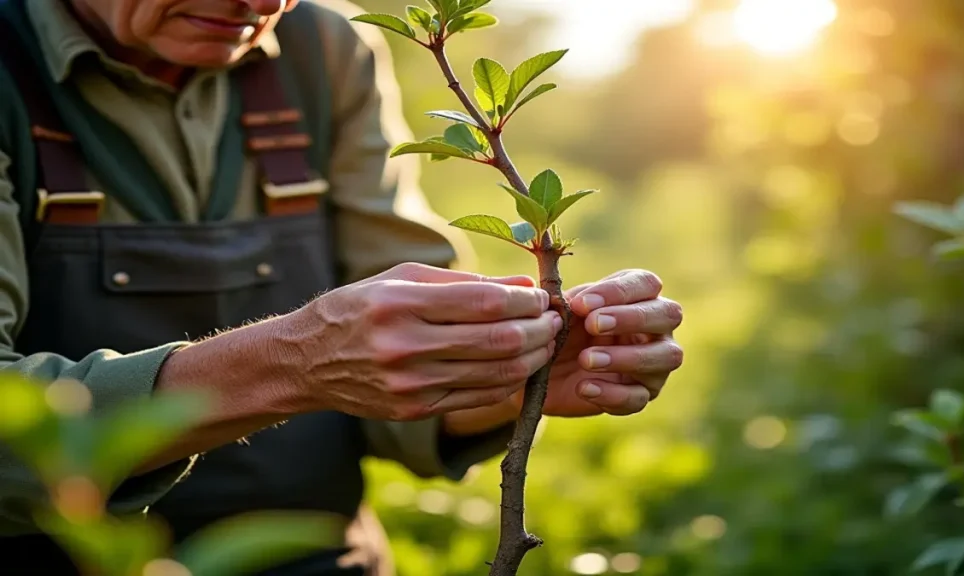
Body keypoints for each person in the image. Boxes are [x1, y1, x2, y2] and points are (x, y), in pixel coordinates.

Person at [0, 0, 684, 573]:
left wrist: (508, 374)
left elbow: (389, 370)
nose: (260, 4)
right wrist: (293, 362)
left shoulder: (321, 49)